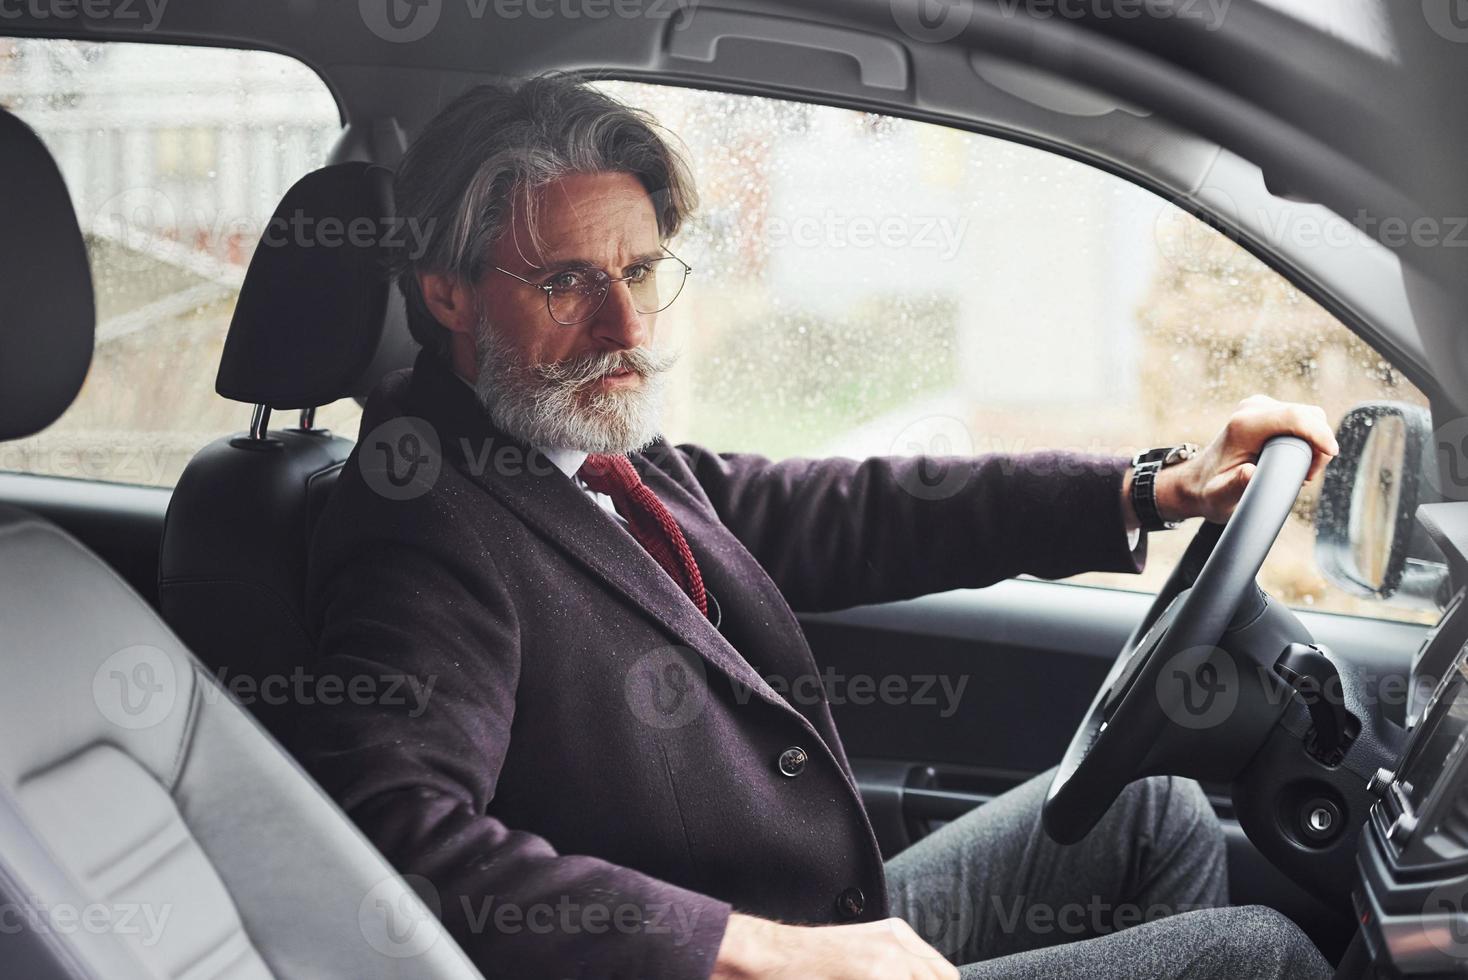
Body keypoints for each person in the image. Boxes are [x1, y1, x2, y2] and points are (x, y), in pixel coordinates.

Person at [291, 72, 1338, 979]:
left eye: (642, 269)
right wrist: (746, 948)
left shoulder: (574, 439)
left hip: (812, 921)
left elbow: (848, 511)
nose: (626, 326)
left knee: (1148, 811)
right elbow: (393, 836)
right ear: (448, 295)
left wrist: (1150, 487)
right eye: (567, 282)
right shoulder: (420, 522)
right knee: (1257, 954)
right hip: (738, 963)